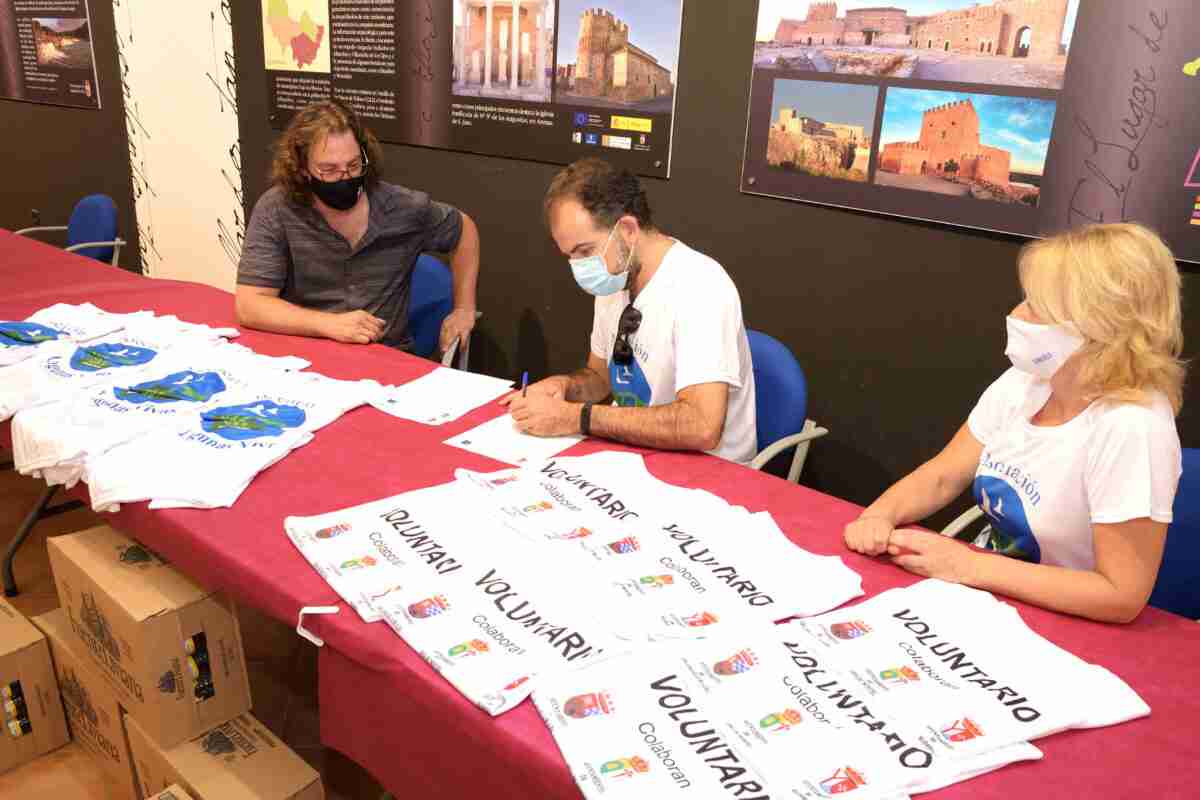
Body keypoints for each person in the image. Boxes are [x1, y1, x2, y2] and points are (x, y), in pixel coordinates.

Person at [844, 223, 1184, 624]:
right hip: (996, 596)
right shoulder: (1026, 383)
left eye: (1036, 306)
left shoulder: (1133, 427)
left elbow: (1121, 595)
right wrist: (879, 516)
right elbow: (943, 475)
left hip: (1068, 624)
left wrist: (968, 566)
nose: (1016, 314)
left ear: (1098, 326)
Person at [503, 158, 757, 463]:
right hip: (634, 457)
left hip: (708, 475)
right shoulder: (615, 277)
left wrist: (576, 417)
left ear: (627, 230)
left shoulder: (701, 286)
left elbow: (701, 426)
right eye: (570, 256)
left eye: (584, 251)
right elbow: (601, 377)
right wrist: (565, 387)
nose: (579, 267)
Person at [236, 99, 479, 352]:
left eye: (353, 165)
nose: (345, 177)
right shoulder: (277, 208)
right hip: (306, 358)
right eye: (328, 169)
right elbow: (250, 305)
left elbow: (464, 230)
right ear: (302, 169)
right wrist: (329, 324)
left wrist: (464, 309)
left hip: (386, 362)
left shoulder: (404, 208)